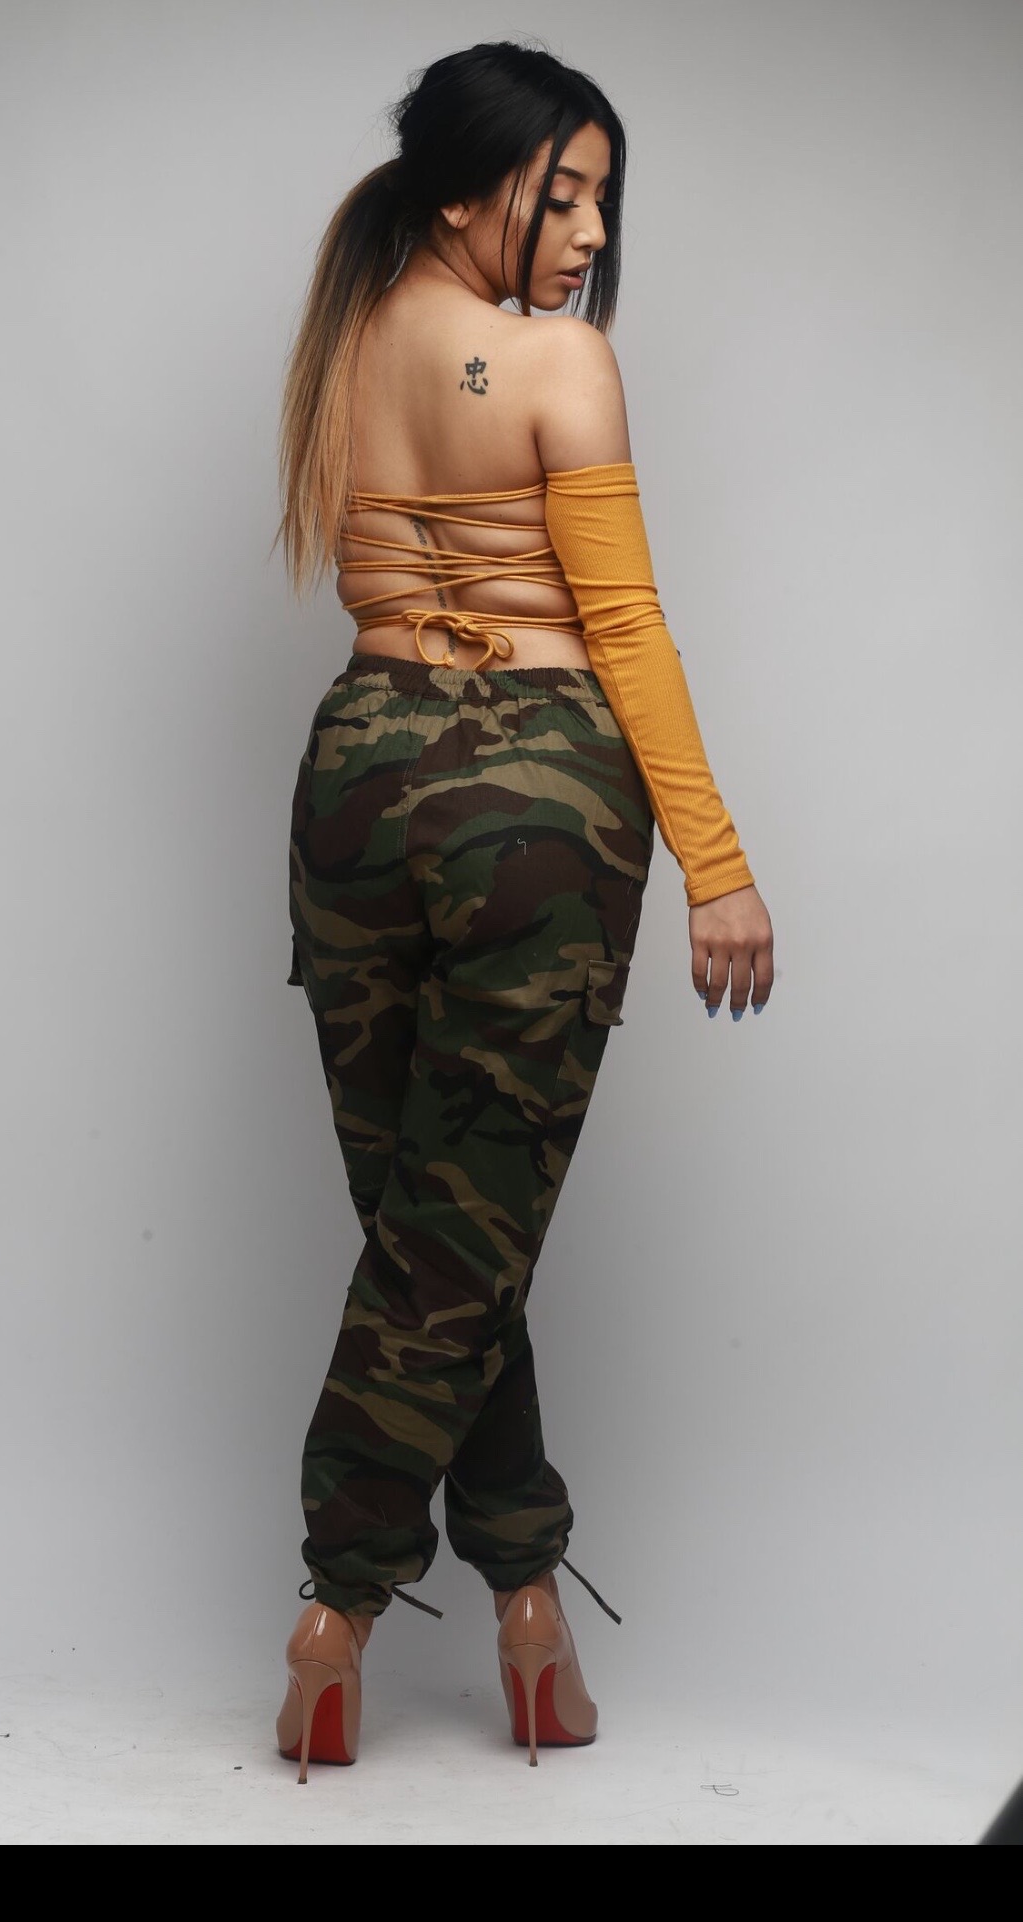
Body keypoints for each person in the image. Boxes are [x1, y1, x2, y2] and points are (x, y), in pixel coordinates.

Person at [275, 41, 774, 1780]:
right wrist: (715, 860)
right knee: (455, 1233)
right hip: (537, 800)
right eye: (561, 196)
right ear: (464, 188)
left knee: (433, 1220)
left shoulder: (340, 344)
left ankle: (526, 1602)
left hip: (354, 773)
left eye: (602, 202)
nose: (589, 236)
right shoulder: (559, 362)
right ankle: (338, 1601)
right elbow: (619, 625)